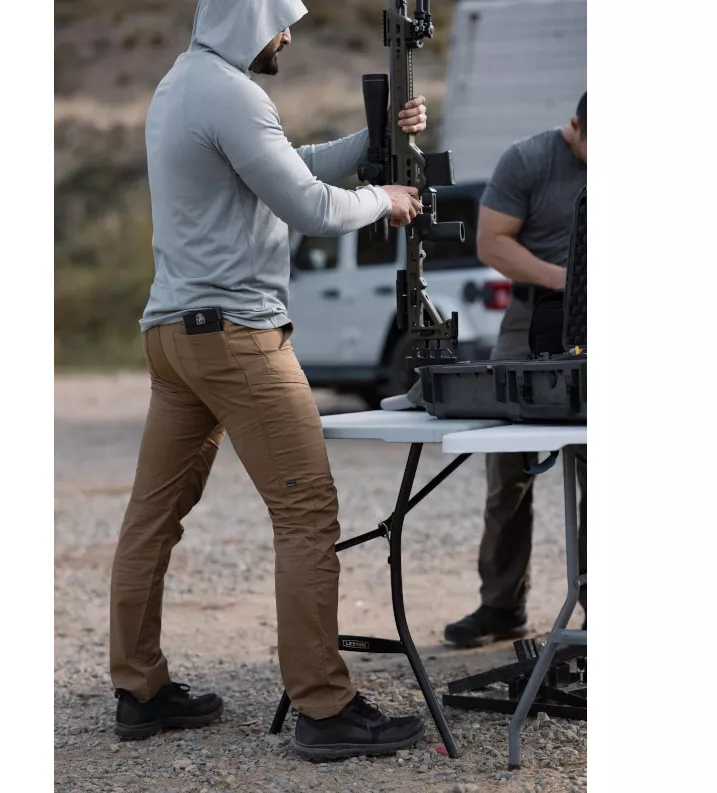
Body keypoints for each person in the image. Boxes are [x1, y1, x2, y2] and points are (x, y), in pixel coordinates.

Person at [109, 0, 430, 759]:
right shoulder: (231, 94)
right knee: (307, 513)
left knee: (153, 517)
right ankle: (324, 707)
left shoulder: (183, 82)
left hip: (175, 336)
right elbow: (309, 205)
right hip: (237, 338)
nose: (286, 35)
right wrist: (384, 200)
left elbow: (287, 167)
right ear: (251, 17)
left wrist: (373, 141)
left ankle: (140, 691)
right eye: (282, 20)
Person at [443, 93, 588, 648]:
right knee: (508, 472)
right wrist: (565, 279)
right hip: (532, 318)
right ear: (574, 126)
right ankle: (501, 607)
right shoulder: (528, 160)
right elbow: (492, 243)